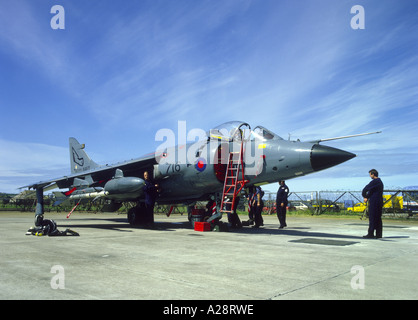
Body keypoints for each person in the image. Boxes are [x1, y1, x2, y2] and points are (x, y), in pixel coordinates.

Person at [362, 169, 384, 239]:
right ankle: (378, 234)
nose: (370, 176)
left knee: (372, 217)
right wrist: (367, 196)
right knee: (378, 218)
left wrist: (365, 196)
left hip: (374, 202)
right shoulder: (380, 182)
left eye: (370, 174)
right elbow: (372, 191)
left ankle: (371, 233)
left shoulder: (375, 181)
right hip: (379, 201)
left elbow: (366, 189)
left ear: (373, 174)